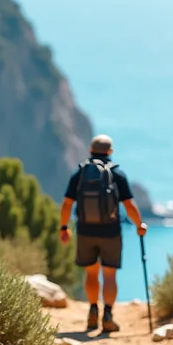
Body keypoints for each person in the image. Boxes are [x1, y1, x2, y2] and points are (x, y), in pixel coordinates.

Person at [58, 134, 148, 333]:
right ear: (110, 152)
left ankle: (92, 310)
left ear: (90, 150)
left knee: (91, 273)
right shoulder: (117, 173)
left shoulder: (80, 173)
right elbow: (129, 205)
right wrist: (139, 225)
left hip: (85, 230)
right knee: (109, 275)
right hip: (110, 232)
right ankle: (107, 314)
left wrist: (64, 228)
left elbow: (66, 204)